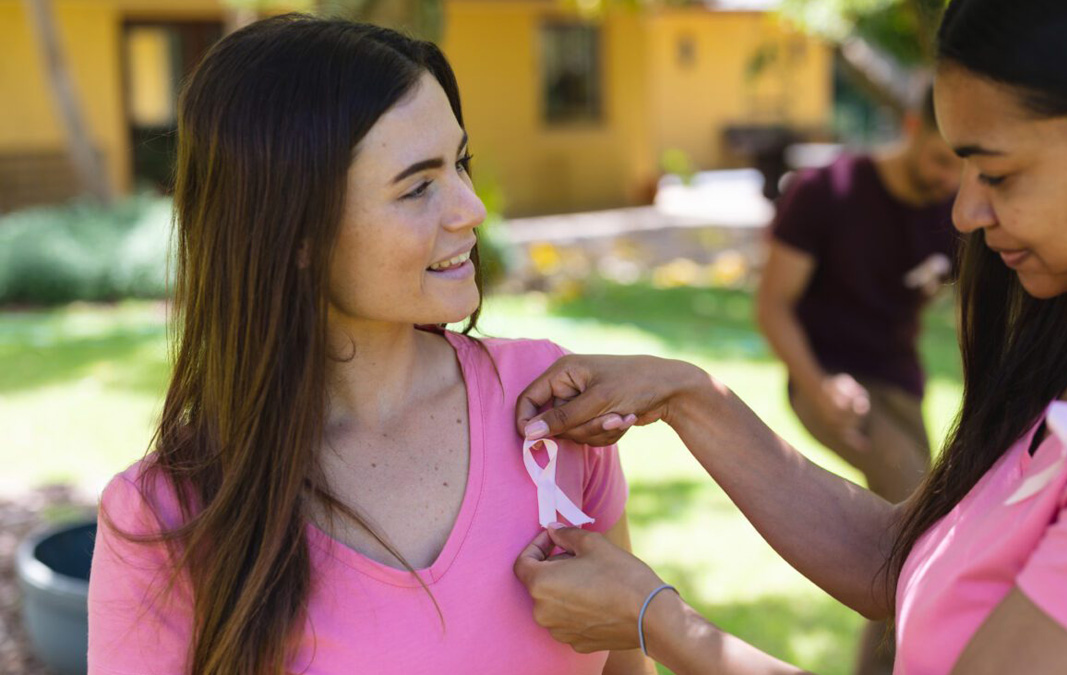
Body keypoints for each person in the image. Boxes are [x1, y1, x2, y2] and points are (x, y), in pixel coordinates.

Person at [512, 0, 1067, 672]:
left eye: (998, 173)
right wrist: (686, 394)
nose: (964, 212)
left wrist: (656, 621)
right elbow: (899, 556)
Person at [86, 15, 651, 675]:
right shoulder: (166, 516)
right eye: (418, 186)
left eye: (460, 162)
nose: (471, 209)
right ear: (293, 232)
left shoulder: (550, 405)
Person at [758, 88, 962, 675]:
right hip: (823, 377)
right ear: (911, 124)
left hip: (898, 385)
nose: (950, 177)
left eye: (963, 165)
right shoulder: (828, 193)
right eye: (941, 157)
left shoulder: (954, 206)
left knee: (927, 526)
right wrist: (818, 383)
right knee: (920, 533)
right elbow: (773, 307)